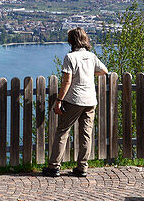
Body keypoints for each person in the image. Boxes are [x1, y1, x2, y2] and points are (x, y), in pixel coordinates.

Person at [42, 27, 108, 177]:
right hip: (91, 100)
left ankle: (53, 166)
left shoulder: (70, 57)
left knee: (63, 131)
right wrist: (90, 73)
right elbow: (104, 71)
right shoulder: (91, 56)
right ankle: (82, 167)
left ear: (72, 41)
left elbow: (67, 81)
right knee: (86, 134)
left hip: (75, 99)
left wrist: (59, 100)